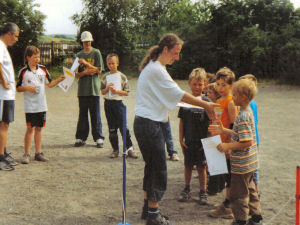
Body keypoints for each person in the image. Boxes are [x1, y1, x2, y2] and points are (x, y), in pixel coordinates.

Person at [133, 33, 218, 225]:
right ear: (165, 49)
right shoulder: (157, 69)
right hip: (149, 124)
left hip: (147, 122)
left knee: (152, 166)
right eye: (175, 52)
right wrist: (205, 105)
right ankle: (153, 215)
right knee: (158, 169)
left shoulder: (155, 67)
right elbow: (179, 94)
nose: (177, 57)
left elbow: (168, 94)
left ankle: (148, 209)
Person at [208, 79, 263, 225]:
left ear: (243, 96)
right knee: (251, 190)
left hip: (242, 165)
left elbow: (246, 142)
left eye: (235, 95)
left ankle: (240, 220)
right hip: (250, 163)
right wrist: (223, 130)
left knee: (238, 194)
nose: (232, 97)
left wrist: (227, 146)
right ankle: (256, 218)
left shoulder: (243, 115)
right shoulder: (246, 111)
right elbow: (241, 134)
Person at [16, 46, 65, 164]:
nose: (37, 59)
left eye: (39, 57)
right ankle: (26, 154)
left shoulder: (43, 69)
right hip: (30, 106)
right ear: (28, 58)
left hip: (41, 105)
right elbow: (18, 88)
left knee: (39, 129)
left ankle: (38, 153)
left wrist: (59, 80)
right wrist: (28, 88)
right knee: (30, 129)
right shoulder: (23, 71)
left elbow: (50, 84)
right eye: (35, 57)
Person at [177, 68, 210, 205]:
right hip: (189, 140)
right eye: (194, 84)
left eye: (200, 84)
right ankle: (187, 188)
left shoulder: (207, 102)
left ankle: (203, 191)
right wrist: (180, 139)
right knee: (188, 165)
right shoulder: (185, 101)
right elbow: (182, 122)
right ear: (189, 84)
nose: (197, 87)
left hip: (202, 142)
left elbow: (211, 123)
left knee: (202, 167)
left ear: (205, 85)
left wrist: (207, 142)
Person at [209, 67, 238, 219]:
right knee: (225, 175)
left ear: (231, 86)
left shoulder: (230, 102)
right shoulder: (219, 101)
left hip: (228, 145)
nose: (220, 88)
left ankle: (229, 207)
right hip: (219, 143)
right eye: (218, 84)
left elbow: (234, 126)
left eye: (224, 85)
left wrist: (230, 146)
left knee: (230, 177)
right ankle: (227, 203)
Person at [100, 53, 137, 159]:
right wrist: (107, 88)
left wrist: (117, 91)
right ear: (107, 64)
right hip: (108, 104)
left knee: (123, 127)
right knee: (112, 128)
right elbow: (102, 92)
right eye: (109, 63)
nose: (111, 65)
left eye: (113, 63)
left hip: (118, 104)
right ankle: (115, 149)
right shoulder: (105, 77)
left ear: (118, 63)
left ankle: (129, 149)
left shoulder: (122, 77)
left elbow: (126, 92)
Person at [74, 31, 105, 148]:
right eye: (85, 41)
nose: (87, 43)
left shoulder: (96, 53)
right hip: (82, 90)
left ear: (91, 41)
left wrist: (86, 64)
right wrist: (86, 72)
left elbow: (99, 70)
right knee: (82, 114)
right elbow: (76, 74)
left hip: (94, 89)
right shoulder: (78, 55)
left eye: (88, 41)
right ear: (82, 42)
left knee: (95, 114)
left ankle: (98, 137)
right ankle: (81, 137)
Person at [0, 22, 20, 171]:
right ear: (9, 34)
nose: (17, 39)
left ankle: (3, 152)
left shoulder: (3, 47)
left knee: (5, 124)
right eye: (16, 36)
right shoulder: (0, 46)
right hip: (3, 94)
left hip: (8, 93)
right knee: (3, 124)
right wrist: (3, 81)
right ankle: (0, 157)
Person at [239, 74, 260, 193]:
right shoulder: (252, 103)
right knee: (253, 169)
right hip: (253, 138)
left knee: (252, 169)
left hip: (251, 140)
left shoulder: (249, 104)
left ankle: (255, 192)